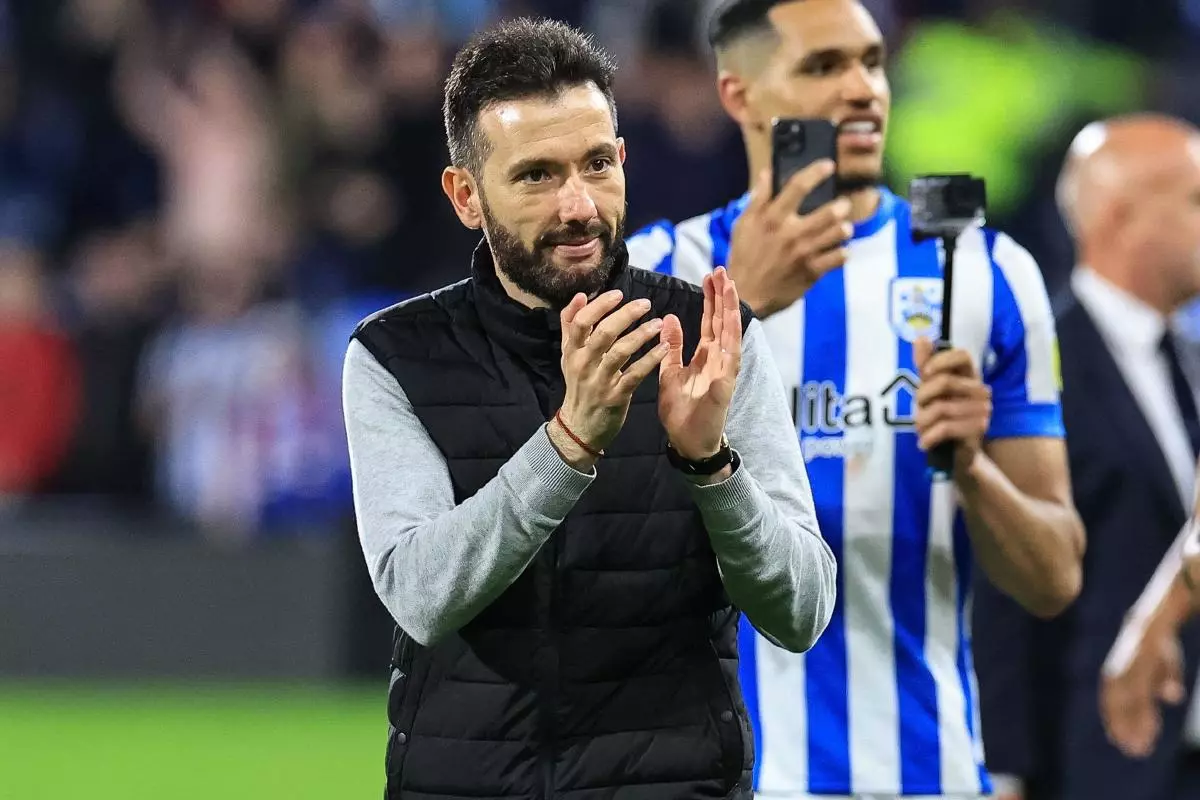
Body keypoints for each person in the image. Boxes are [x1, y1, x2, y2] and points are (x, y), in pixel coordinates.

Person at [340, 17, 837, 800]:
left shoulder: (710, 336)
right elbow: (421, 595)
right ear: (466, 196)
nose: (578, 205)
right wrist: (568, 444)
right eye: (537, 176)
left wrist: (712, 468)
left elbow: (802, 610)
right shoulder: (395, 356)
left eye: (597, 164)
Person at [624, 1, 1086, 797]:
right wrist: (750, 310)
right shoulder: (657, 270)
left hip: (924, 773)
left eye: (872, 61)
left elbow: (1054, 578)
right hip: (712, 780)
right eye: (822, 67)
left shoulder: (986, 274)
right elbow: (597, 526)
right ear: (739, 95)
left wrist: (975, 471)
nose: (864, 88)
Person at [974, 114, 1200, 800]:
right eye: (1196, 200)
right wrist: (1006, 768)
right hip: (1097, 761)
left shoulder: (1191, 361)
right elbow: (1003, 589)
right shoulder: (1033, 367)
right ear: (1121, 216)